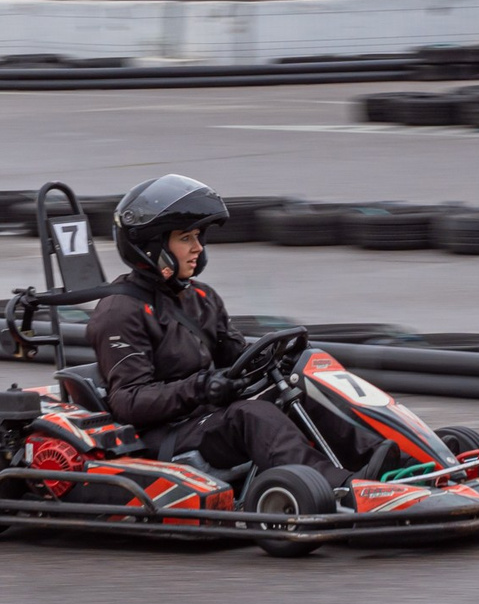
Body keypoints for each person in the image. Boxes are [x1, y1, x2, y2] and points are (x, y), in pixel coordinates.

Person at [85, 174, 344, 481]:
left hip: (205, 419)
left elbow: (234, 355)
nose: (197, 248)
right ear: (152, 246)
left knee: (307, 390)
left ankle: (389, 466)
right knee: (251, 416)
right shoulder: (120, 311)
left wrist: (273, 360)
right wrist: (201, 387)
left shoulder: (201, 298)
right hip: (162, 434)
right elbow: (129, 401)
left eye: (198, 237)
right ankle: (339, 487)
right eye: (185, 239)